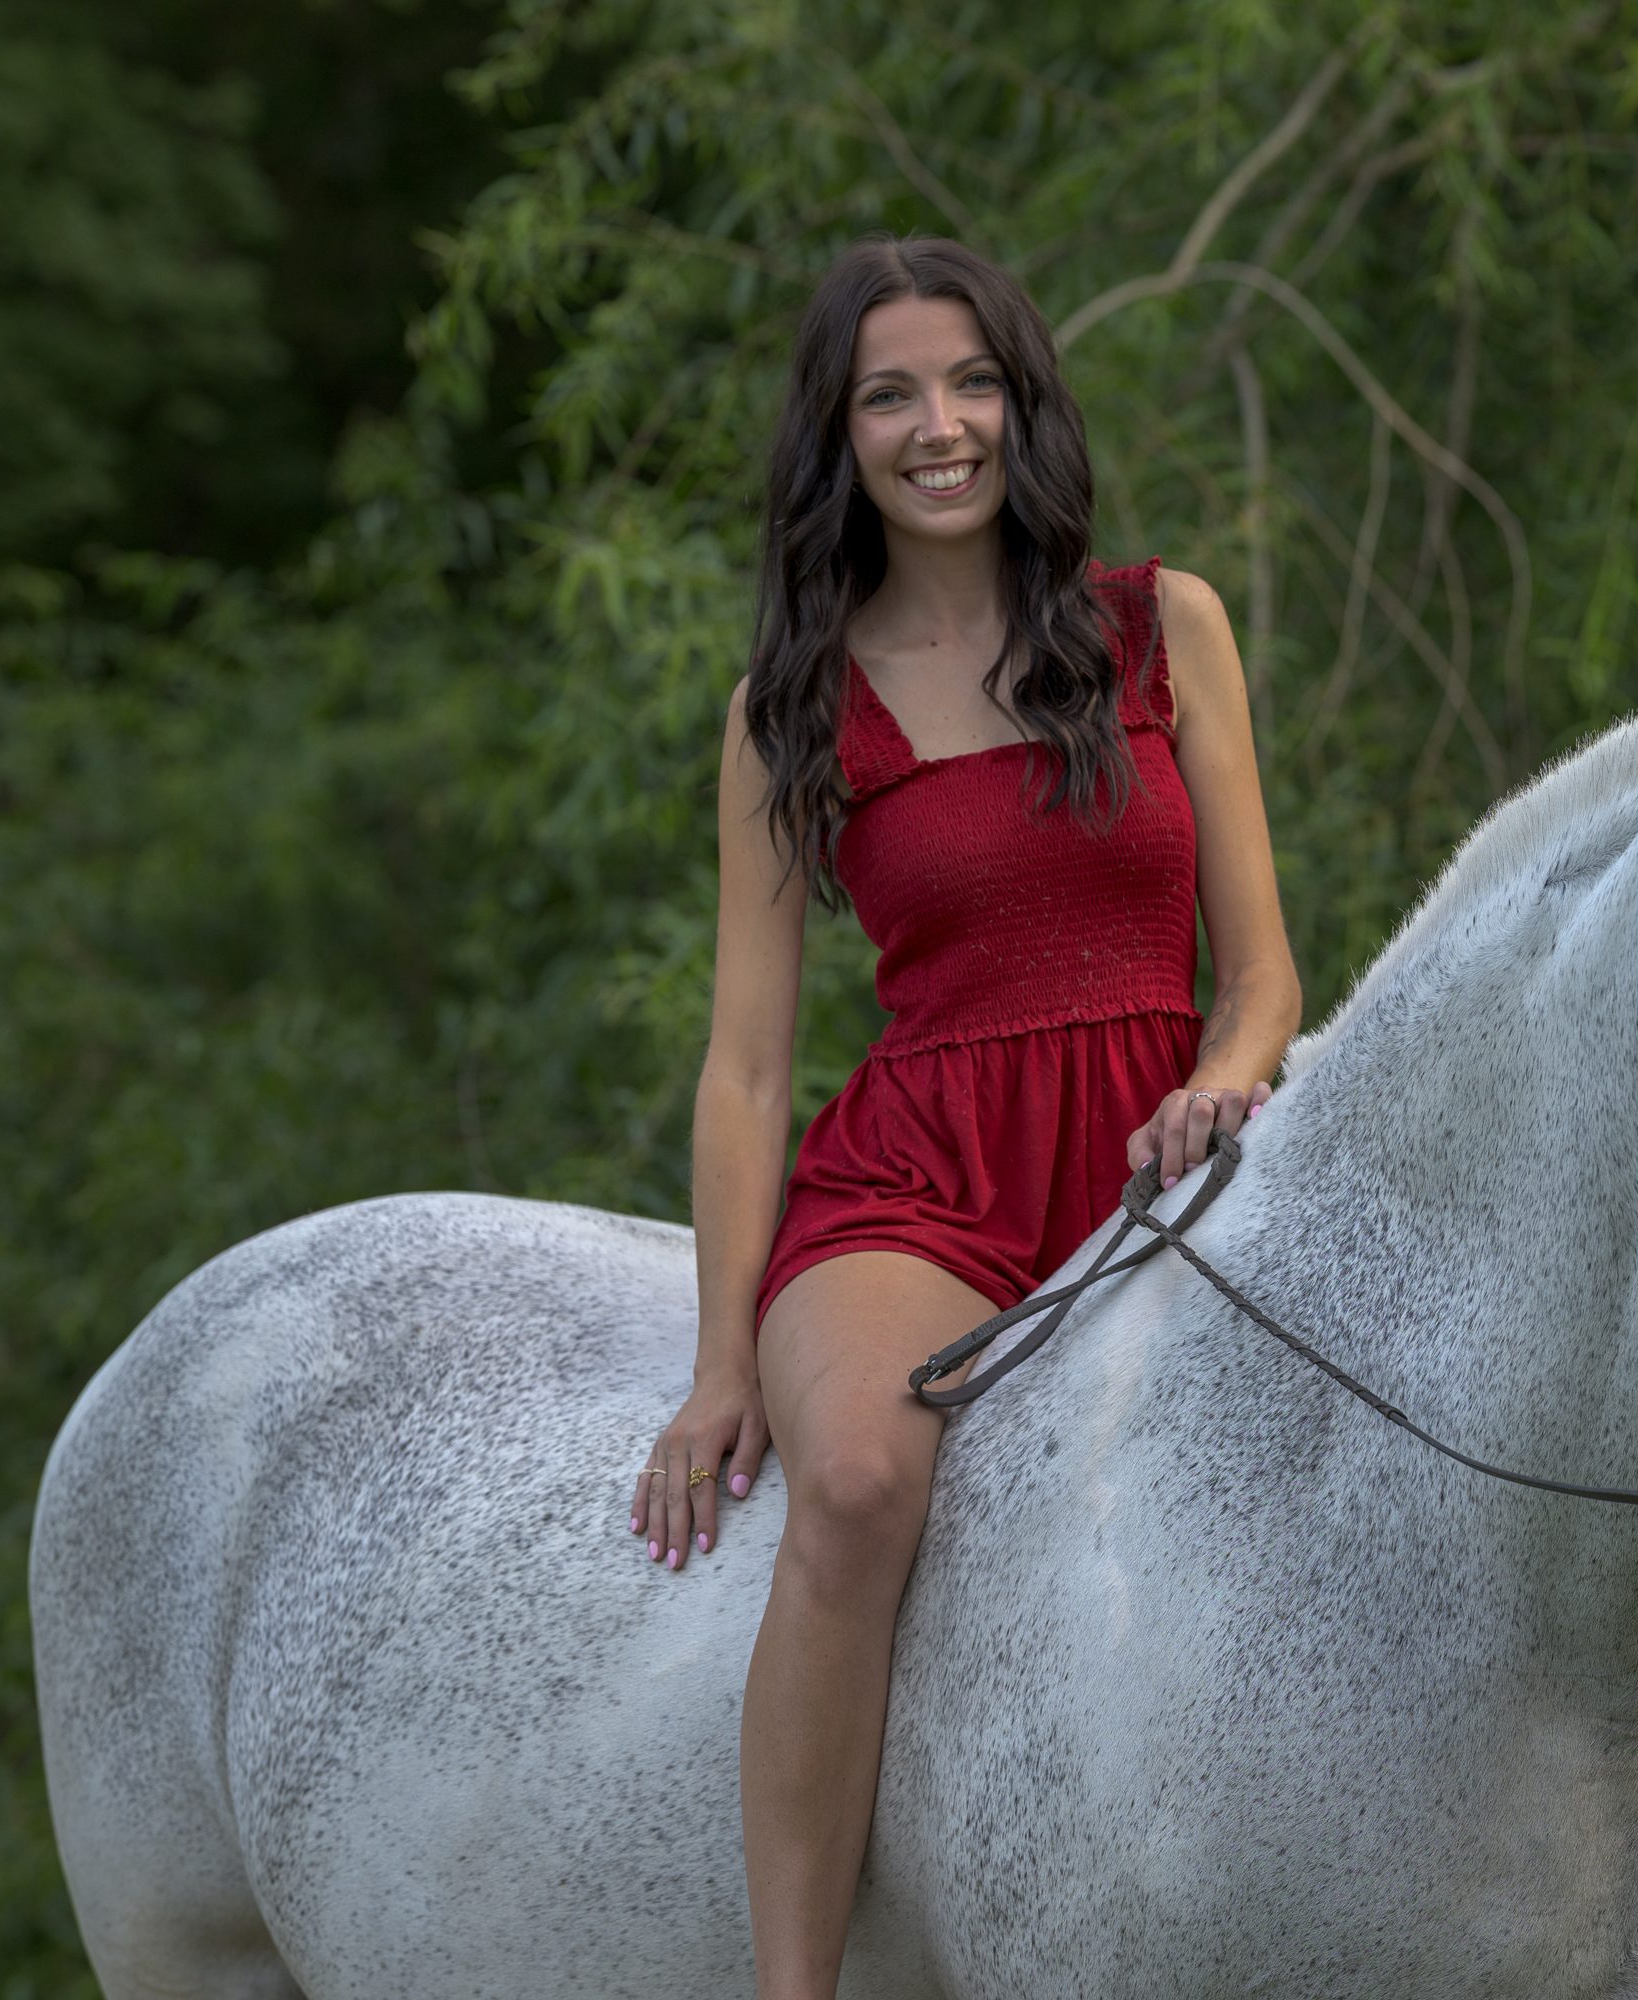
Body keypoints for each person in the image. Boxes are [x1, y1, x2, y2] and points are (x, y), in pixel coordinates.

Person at [630, 236, 1302, 1999]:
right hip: (920, 1188)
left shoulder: (1164, 626)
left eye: (973, 382)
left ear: (1024, 402)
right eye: (891, 396)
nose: (941, 427)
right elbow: (747, 1070)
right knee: (856, 1481)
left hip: (1161, 1172)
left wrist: (1222, 1082)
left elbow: (1262, 978)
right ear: (837, 437)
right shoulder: (788, 711)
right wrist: (719, 1365)